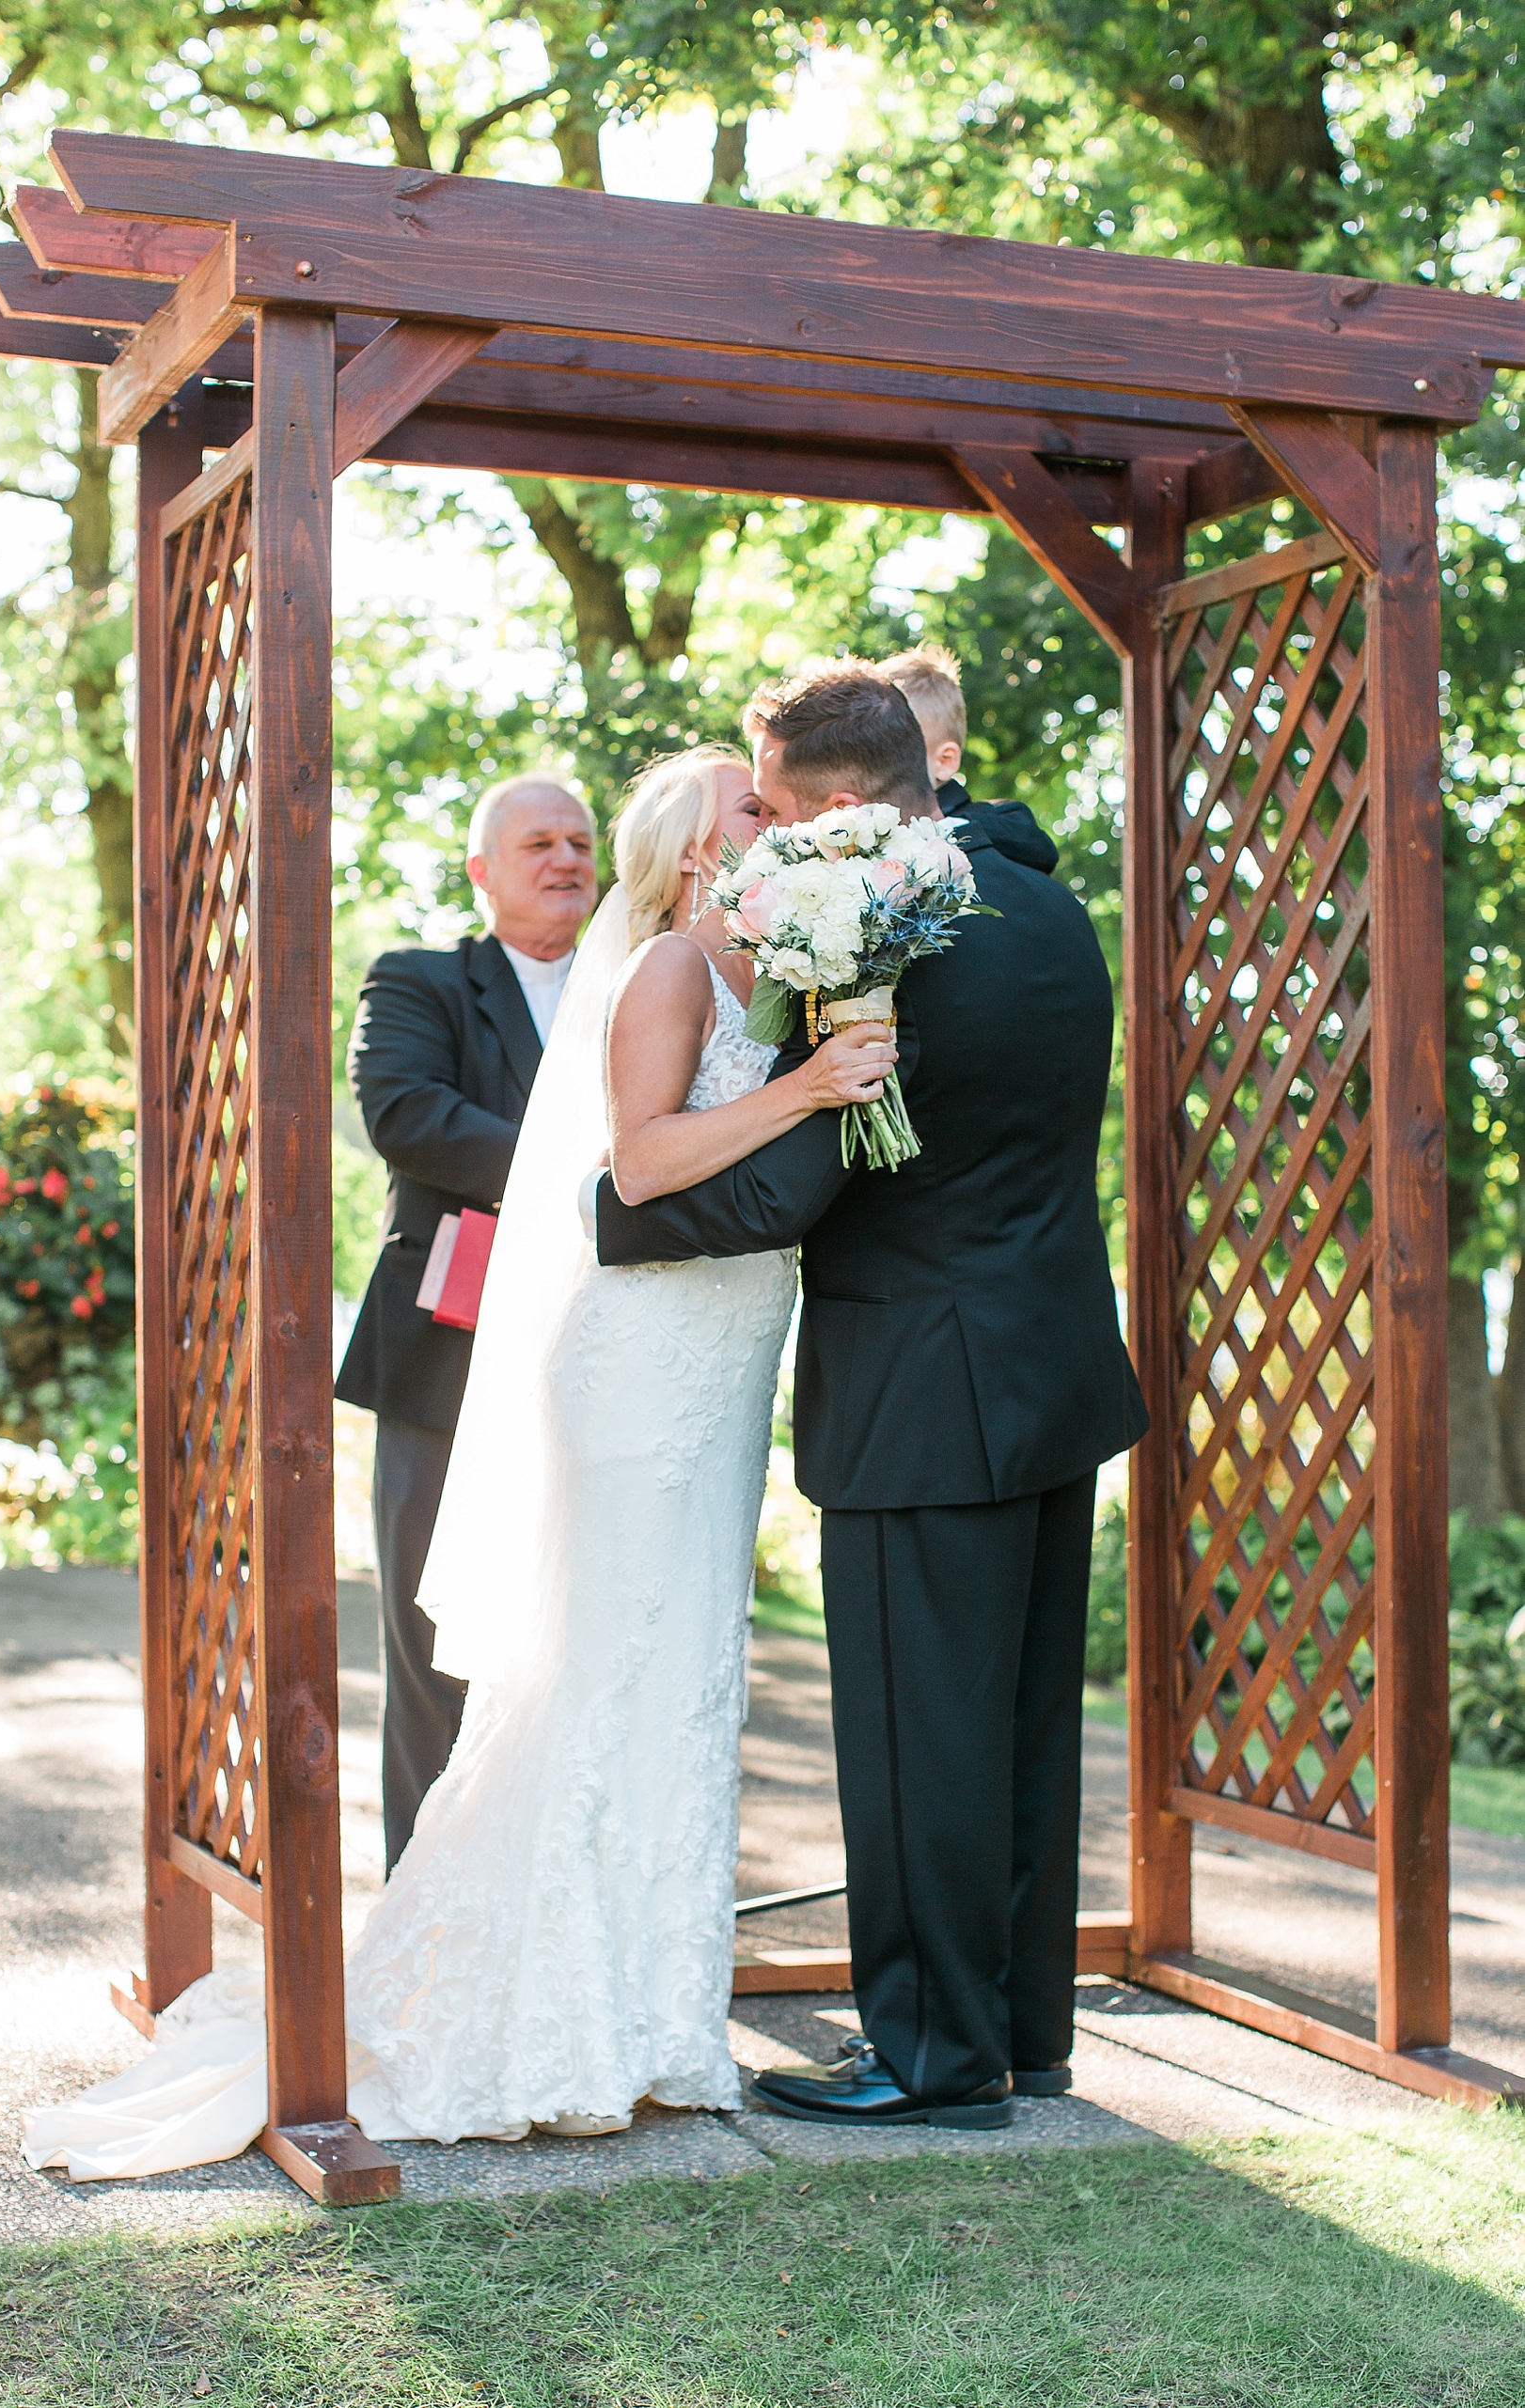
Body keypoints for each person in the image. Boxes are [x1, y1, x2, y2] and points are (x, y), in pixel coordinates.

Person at [24, 743, 893, 2177]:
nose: (785, 821)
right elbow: (620, 1159)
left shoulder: (785, 976)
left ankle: (648, 2012)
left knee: (680, 1680)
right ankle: (516, 1997)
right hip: (600, 1353)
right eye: (757, 807)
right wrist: (801, 1095)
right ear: (689, 850)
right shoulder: (615, 970)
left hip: (720, 1363)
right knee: (567, 1672)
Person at [594, 668, 1147, 2131]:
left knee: (919, 1737)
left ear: (842, 807)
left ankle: (931, 2054)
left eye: (772, 807)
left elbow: (804, 1177)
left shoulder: (890, 941)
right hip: (1052, 1373)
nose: (762, 835)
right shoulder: (1049, 909)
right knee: (1023, 1728)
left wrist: (619, 1211)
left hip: (923, 1389)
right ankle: (1024, 2035)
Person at [335, 772, 597, 1872]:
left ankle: (548, 1907)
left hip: (596, 1363)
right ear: (484, 870)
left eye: (582, 840)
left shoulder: (638, 984)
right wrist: (594, 1171)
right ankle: (419, 1904)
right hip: (444, 1355)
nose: (567, 858)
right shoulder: (419, 981)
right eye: (539, 841)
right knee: (432, 1650)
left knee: (576, 1648)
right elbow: (408, 1117)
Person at [875, 641, 1060, 875]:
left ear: (944, 761)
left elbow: (1038, 848)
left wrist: (938, 831)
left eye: (893, 748)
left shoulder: (993, 819)